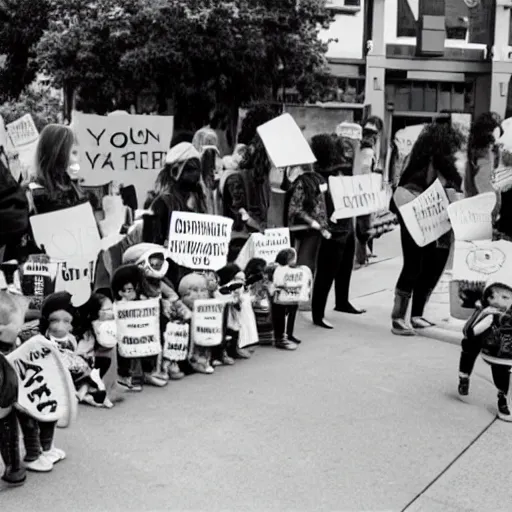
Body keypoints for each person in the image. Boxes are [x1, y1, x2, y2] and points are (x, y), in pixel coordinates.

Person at [390, 121, 463, 336]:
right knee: (413, 265)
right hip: (416, 219)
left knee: (430, 267)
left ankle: (416, 314)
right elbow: (404, 193)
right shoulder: (421, 166)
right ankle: (397, 318)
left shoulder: (438, 165)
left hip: (435, 222)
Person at [310, 134, 364, 330]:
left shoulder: (334, 171)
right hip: (334, 228)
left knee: (343, 266)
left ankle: (342, 301)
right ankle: (319, 314)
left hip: (344, 224)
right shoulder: (324, 174)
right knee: (327, 270)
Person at [143, 142, 207, 287]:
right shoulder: (161, 204)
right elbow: (151, 250)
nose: (196, 175)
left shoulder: (198, 201)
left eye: (198, 169)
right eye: (190, 169)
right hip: (171, 278)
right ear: (175, 172)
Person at [457, 272, 512, 421]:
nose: (497, 302)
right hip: (493, 350)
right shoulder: (489, 314)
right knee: (469, 346)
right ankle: (464, 375)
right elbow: (469, 332)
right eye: (492, 297)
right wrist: (480, 313)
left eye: (505, 298)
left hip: (507, 353)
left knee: (502, 375)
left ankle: (503, 397)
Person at [284, 164, 331, 277]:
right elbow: (322, 205)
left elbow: (294, 208)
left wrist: (310, 221)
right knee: (309, 263)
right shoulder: (319, 179)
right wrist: (321, 225)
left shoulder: (300, 183)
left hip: (300, 227)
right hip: (315, 228)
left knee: (301, 263)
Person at [271, 249, 300, 350]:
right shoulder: (281, 270)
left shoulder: (282, 268)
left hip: (285, 297)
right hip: (281, 298)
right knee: (280, 318)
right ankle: (281, 340)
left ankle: (286, 336)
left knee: (283, 318)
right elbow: (280, 284)